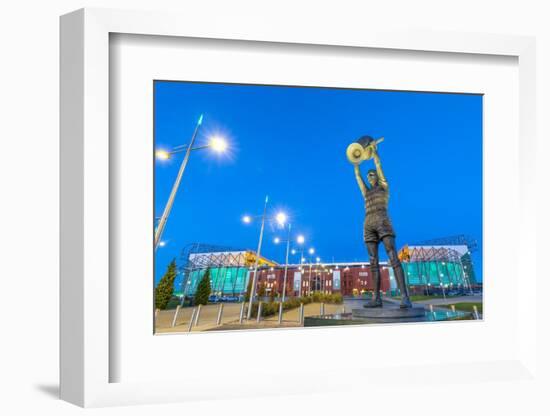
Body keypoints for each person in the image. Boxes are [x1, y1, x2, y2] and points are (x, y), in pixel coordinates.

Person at [353, 139, 412, 308]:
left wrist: (374, 153)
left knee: (393, 256)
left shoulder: (384, 186)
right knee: (373, 262)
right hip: (368, 224)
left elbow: (378, 165)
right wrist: (356, 162)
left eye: (372, 174)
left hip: (383, 221)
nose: (370, 176)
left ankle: (405, 298)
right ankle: (376, 298)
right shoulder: (366, 192)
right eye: (368, 175)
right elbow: (357, 176)